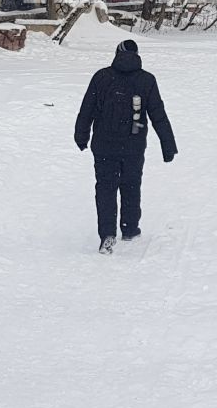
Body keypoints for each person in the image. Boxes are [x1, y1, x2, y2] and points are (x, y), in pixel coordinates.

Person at [74, 38, 177, 253]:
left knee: (105, 188)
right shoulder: (146, 80)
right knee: (131, 185)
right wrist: (168, 145)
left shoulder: (101, 77)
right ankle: (130, 228)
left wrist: (81, 136)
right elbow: (158, 115)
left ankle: (107, 234)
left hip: (103, 145)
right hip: (134, 145)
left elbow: (87, 109)